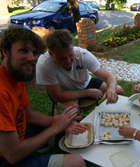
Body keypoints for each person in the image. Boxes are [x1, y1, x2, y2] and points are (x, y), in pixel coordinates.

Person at [0, 26, 86, 167]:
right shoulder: (2, 92)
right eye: (23, 50)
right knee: (77, 162)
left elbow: (28, 115)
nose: (32, 58)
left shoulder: (14, 79)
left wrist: (55, 120)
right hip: (7, 158)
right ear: (5, 52)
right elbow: (12, 155)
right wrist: (55, 127)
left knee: (66, 129)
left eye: (34, 53)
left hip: (18, 138)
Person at [36, 29, 123, 108]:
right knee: (72, 107)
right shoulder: (44, 64)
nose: (68, 61)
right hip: (64, 91)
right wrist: (88, 92)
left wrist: (111, 89)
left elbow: (109, 77)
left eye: (70, 55)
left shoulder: (82, 54)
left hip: (85, 83)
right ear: (51, 54)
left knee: (118, 90)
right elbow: (58, 95)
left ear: (72, 47)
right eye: (62, 58)